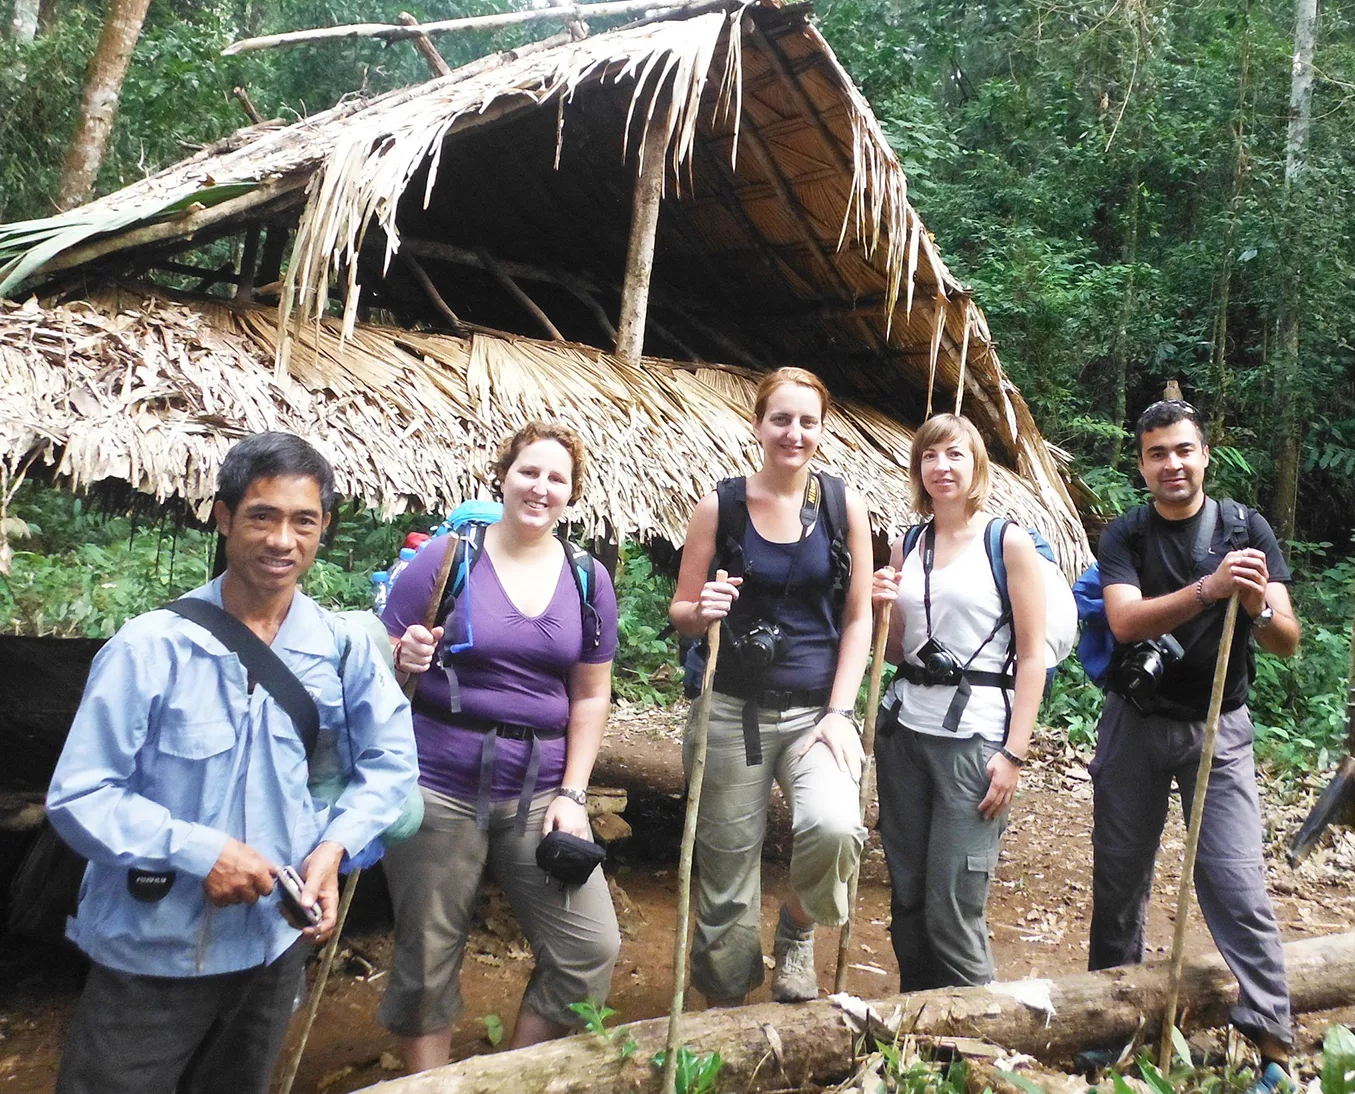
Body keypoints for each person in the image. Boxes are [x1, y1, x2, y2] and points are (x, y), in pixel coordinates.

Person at [46, 432, 420, 1094]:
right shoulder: (150, 650)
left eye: (303, 521)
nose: (282, 540)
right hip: (149, 953)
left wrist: (333, 849)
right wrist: (198, 850)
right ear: (223, 518)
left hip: (272, 948)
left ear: (324, 528)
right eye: (262, 516)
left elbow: (392, 765)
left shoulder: (340, 650)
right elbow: (81, 796)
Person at [381, 422, 620, 1070]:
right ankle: (428, 1087)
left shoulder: (586, 578)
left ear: (573, 494)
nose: (540, 487)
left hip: (541, 788)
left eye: (556, 478)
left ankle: (513, 1075)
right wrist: (409, 657)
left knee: (588, 946)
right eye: (529, 472)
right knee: (428, 953)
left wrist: (574, 792)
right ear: (503, 476)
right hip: (438, 780)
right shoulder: (448, 558)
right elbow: (382, 664)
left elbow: (592, 694)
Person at [1088, 399, 1301, 1094]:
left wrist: (1257, 606)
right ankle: (1107, 1028)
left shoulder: (1247, 529)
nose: (1172, 465)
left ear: (1204, 455)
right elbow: (1123, 622)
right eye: (1157, 454)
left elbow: (1286, 640)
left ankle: (1273, 1043)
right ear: (1143, 465)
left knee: (1235, 881)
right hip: (1135, 722)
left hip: (1221, 729)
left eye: (1183, 450)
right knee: (1121, 879)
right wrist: (1208, 589)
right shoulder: (1127, 534)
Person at [667, 367, 874, 1004]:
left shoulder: (844, 506)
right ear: (759, 426)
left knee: (836, 828)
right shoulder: (721, 505)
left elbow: (859, 615)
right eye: (781, 419)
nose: (794, 432)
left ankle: (796, 934)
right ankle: (725, 998)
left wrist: (842, 710)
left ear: (822, 429)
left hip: (818, 712)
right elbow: (679, 609)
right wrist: (704, 610)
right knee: (726, 864)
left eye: (807, 421)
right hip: (731, 708)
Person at [869, 412, 1047, 990]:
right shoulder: (910, 542)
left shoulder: (1007, 543)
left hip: (974, 742)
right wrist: (882, 607)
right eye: (930, 456)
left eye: (955, 456)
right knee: (908, 892)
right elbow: (897, 650)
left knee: (953, 900)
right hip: (905, 735)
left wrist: (1014, 755)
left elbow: (1033, 655)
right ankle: (914, 1031)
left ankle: (982, 1037)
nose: (941, 468)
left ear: (976, 468)